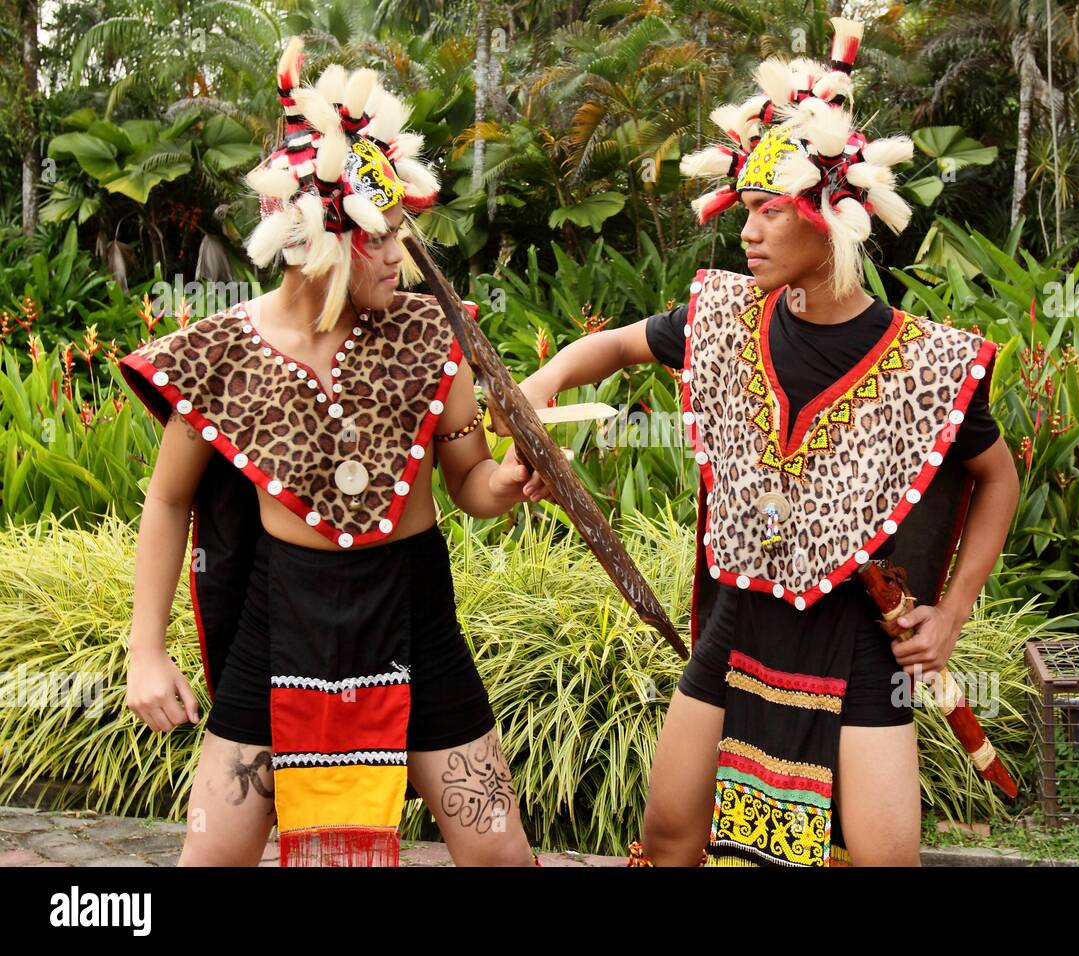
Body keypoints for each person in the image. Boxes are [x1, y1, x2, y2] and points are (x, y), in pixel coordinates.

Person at [509, 16, 1020, 866]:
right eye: (742, 211)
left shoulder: (929, 363)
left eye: (768, 213)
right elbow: (607, 349)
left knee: (883, 857)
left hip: (858, 639)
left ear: (830, 219)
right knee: (669, 835)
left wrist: (954, 613)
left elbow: (997, 478)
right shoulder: (719, 318)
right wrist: (536, 391)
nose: (746, 232)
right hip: (743, 614)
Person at [119, 37, 549, 867]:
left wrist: (513, 477)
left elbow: (469, 478)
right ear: (316, 235)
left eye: (401, 233)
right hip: (281, 625)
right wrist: (146, 648)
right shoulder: (220, 353)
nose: (401, 255)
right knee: (208, 861)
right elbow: (168, 499)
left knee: (503, 856)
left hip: (416, 616)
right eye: (379, 237)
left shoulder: (431, 332)